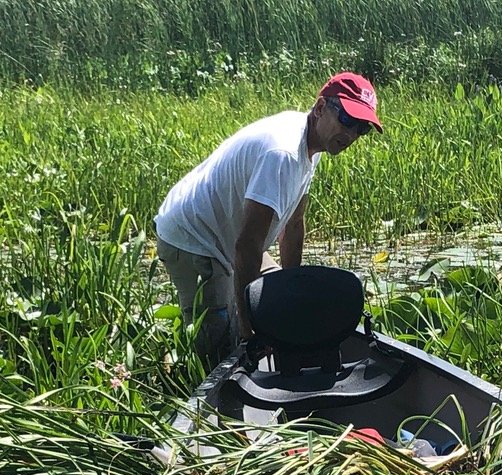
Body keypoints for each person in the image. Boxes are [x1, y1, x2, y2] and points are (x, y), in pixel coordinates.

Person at [154, 72, 382, 367]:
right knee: (221, 346)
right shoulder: (283, 153)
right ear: (321, 108)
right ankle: (203, 390)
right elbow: (247, 247)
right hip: (194, 238)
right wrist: (251, 329)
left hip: (229, 235)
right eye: (348, 121)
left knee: (278, 304)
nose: (351, 135)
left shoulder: (313, 145)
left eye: (361, 129)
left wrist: (292, 291)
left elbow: (294, 224)